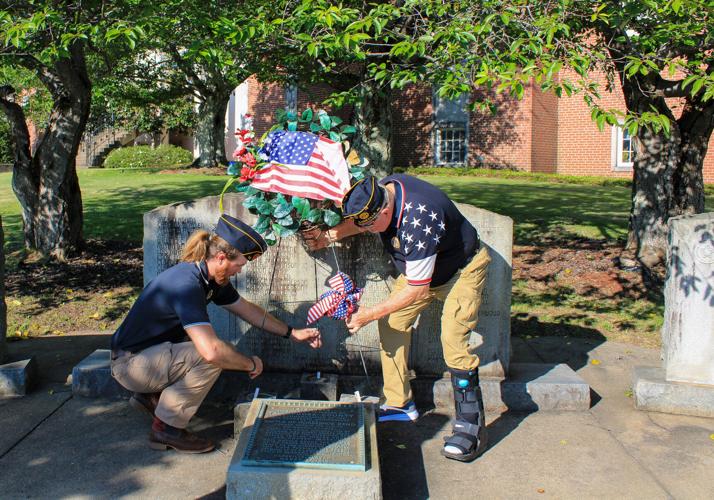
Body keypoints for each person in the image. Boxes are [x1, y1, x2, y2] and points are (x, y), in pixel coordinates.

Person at [304, 174, 490, 462]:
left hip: (460, 271)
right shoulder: (384, 190)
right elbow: (360, 220)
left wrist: (367, 314)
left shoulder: (421, 217)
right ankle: (400, 403)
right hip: (422, 271)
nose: (366, 230)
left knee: (453, 340)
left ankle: (471, 424)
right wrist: (327, 237)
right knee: (391, 323)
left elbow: (417, 289)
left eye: (369, 225)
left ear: (385, 211)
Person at [111, 213, 322, 454]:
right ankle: (166, 429)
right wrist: (249, 364)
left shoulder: (209, 278)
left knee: (212, 351)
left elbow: (248, 310)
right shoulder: (186, 285)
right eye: (239, 265)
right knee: (212, 355)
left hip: (146, 358)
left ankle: (151, 397)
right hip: (131, 364)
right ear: (221, 257)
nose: (239, 271)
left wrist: (292, 332)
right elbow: (211, 352)